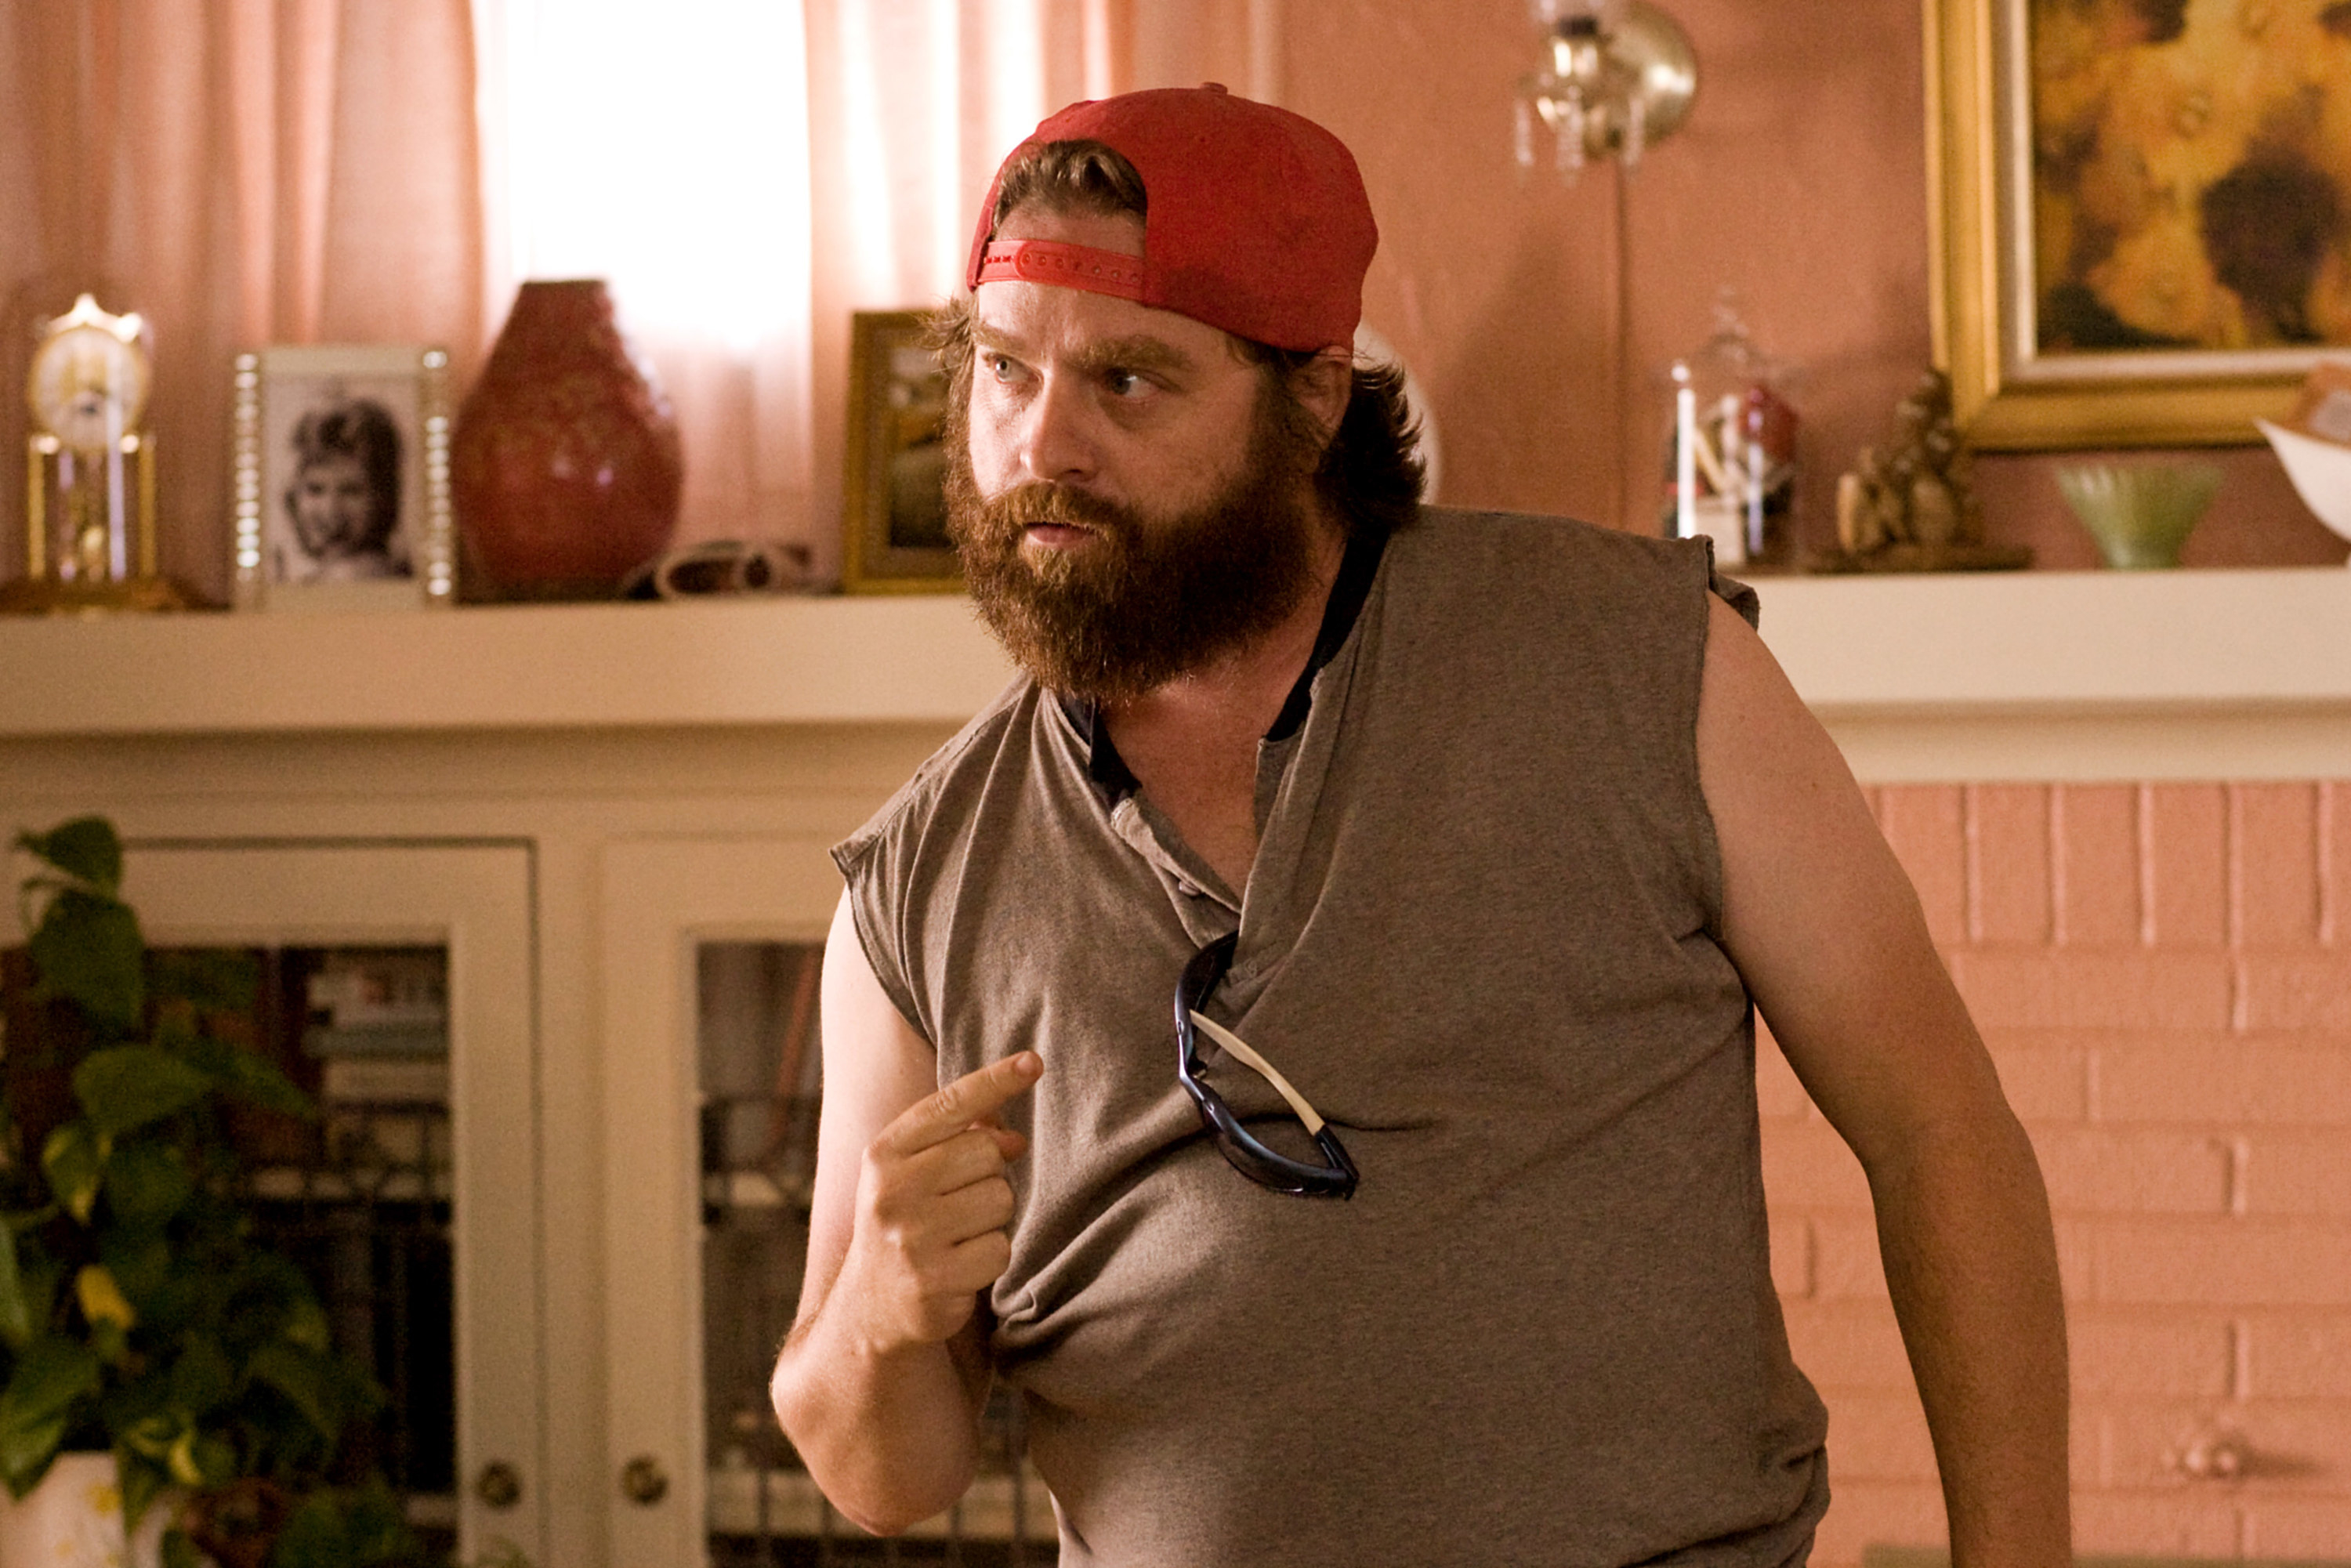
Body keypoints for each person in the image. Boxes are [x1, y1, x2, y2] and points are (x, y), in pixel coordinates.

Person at [771, 85, 2070, 1567]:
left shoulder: (1644, 663)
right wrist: (877, 1309)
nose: (1041, 443)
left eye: (1128, 381)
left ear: (1313, 398)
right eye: (1004, 371)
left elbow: (1939, 1131)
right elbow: (883, 1477)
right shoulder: (921, 875)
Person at [277, 397, 405, 582]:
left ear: (381, 498)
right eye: (315, 490)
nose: (331, 510)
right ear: (292, 495)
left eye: (351, 491)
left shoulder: (358, 574)